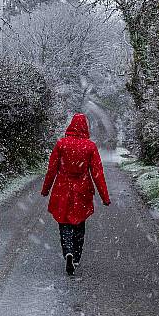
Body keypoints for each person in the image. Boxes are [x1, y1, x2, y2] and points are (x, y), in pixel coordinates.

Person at [41, 113, 111, 276]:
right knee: (79, 223)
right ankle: (77, 256)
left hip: (62, 189)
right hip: (82, 190)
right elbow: (97, 173)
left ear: (71, 126)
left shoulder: (61, 144)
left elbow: (52, 169)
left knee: (64, 223)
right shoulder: (90, 146)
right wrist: (105, 197)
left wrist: (46, 189)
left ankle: (68, 252)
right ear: (85, 127)